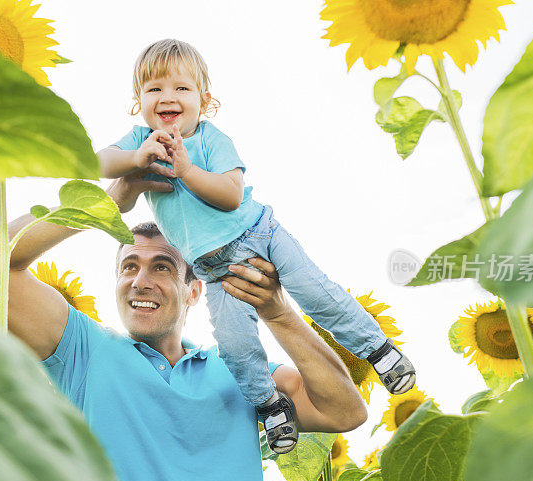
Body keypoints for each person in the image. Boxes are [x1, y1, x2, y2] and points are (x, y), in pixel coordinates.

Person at [0, 171, 369, 481]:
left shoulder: (238, 370)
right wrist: (101, 206)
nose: (141, 281)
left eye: (162, 267)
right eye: (129, 266)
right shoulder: (82, 350)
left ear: (195, 290)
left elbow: (344, 411)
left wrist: (277, 312)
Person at [96, 39, 415, 453]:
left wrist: (186, 169)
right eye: (153, 89)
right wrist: (136, 157)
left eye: (181, 88)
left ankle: (379, 350)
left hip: (260, 236)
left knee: (316, 295)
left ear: (204, 100)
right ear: (138, 101)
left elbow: (229, 194)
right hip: (214, 270)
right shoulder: (142, 140)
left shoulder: (210, 140)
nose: (167, 97)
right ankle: (270, 406)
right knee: (234, 343)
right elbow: (100, 161)